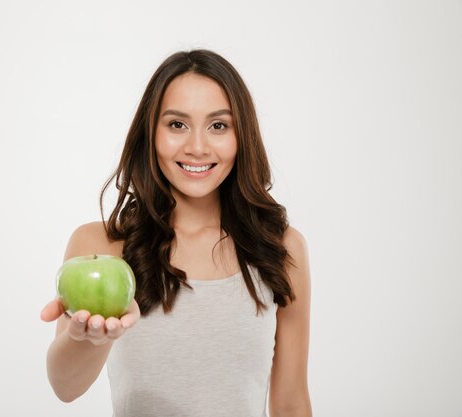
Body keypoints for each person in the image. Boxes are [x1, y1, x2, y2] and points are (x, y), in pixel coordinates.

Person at [41, 49, 312, 417]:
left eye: (218, 125)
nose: (197, 147)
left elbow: (291, 403)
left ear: (241, 135)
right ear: (150, 134)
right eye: (177, 125)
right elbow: (66, 387)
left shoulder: (281, 249)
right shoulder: (102, 247)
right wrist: (82, 337)